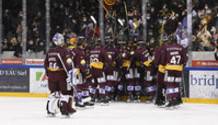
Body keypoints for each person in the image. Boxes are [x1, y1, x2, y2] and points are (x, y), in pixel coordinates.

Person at [44, 33, 76, 117]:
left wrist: (48, 74)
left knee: (53, 93)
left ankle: (49, 110)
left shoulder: (50, 51)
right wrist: (70, 73)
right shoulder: (64, 51)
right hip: (62, 76)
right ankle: (64, 110)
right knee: (64, 93)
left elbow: (45, 64)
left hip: (51, 76)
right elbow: (68, 63)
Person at [160, 34, 188, 107]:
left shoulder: (166, 48)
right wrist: (183, 64)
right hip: (178, 69)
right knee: (176, 85)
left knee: (170, 85)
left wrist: (163, 65)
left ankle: (170, 100)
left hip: (170, 69)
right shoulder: (181, 47)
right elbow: (185, 59)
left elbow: (163, 60)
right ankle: (175, 99)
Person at [68, 36, 94, 107]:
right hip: (78, 71)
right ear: (82, 43)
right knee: (79, 85)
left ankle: (85, 100)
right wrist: (85, 71)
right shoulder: (78, 51)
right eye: (85, 42)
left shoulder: (80, 50)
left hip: (80, 70)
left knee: (85, 85)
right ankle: (78, 101)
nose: (86, 43)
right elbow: (81, 63)